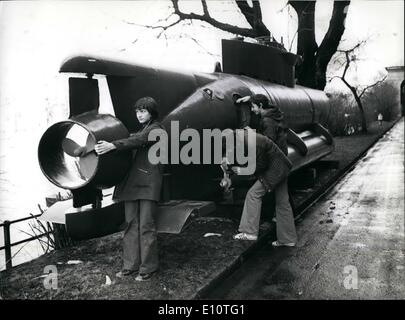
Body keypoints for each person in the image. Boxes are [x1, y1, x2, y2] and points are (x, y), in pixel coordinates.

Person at [94, 97, 165, 281]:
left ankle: (148, 268)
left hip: (148, 185)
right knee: (131, 226)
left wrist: (113, 145)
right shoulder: (142, 130)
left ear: (152, 112)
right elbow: (134, 138)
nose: (139, 115)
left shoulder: (156, 129)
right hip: (134, 185)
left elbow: (138, 140)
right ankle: (130, 266)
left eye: (143, 111)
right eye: (137, 111)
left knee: (146, 226)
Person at [222, 130, 297, 246]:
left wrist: (241, 171)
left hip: (274, 170)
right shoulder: (245, 138)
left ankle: (249, 232)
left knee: (253, 194)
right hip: (282, 166)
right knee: (282, 202)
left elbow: (261, 165)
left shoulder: (252, 143)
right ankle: (288, 239)